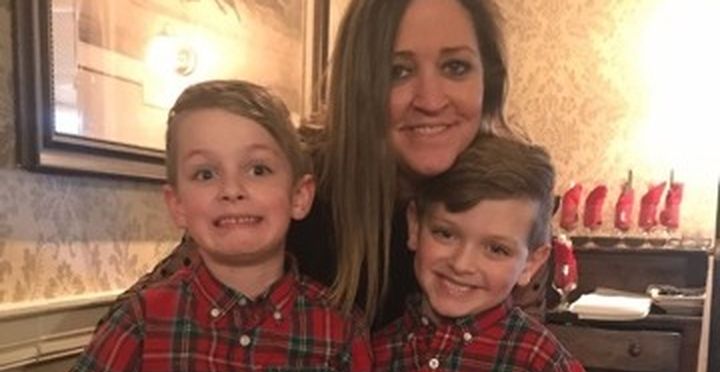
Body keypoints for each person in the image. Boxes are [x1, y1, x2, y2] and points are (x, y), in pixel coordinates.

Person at [105, 0, 543, 330]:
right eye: (398, 71)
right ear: (359, 84)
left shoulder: (512, 204)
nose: (430, 100)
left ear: (489, 81)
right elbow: (133, 324)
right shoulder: (291, 184)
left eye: (456, 66)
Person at [46, 80, 372, 372]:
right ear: (178, 205)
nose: (231, 190)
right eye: (205, 174)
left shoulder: (341, 329)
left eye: (258, 170)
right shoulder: (141, 320)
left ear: (299, 196)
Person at [372, 134, 605, 372]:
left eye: (496, 249)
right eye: (445, 234)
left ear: (531, 263)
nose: (461, 264)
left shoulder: (542, 366)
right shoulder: (374, 354)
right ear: (415, 226)